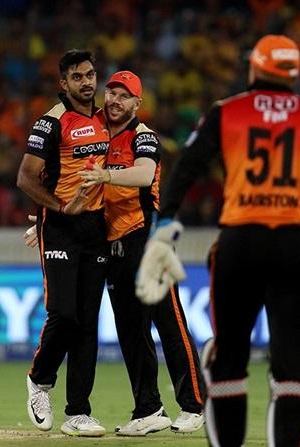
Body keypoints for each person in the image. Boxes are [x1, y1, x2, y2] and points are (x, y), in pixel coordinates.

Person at [135, 35, 300, 447]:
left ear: (254, 70)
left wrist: (164, 226)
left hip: (238, 244)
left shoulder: (226, 113)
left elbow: (185, 170)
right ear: (294, 75)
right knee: (294, 369)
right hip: (294, 246)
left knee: (228, 361)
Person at [78, 70, 206, 436]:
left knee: (168, 319)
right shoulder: (94, 133)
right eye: (111, 93)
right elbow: (77, 180)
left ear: (138, 103)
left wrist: (106, 176)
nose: (115, 101)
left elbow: (145, 175)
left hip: (146, 235)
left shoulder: (143, 136)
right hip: (112, 242)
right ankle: (149, 409)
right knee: (130, 329)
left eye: (124, 96)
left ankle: (195, 404)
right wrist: (46, 221)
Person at [16, 49, 110, 437]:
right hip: (60, 227)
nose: (86, 82)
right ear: (64, 83)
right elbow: (25, 178)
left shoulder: (108, 119)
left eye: (90, 74)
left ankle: (78, 412)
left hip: (96, 229)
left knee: (88, 322)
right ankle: (39, 381)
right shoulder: (51, 122)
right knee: (64, 314)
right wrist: (56, 209)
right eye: (77, 76)